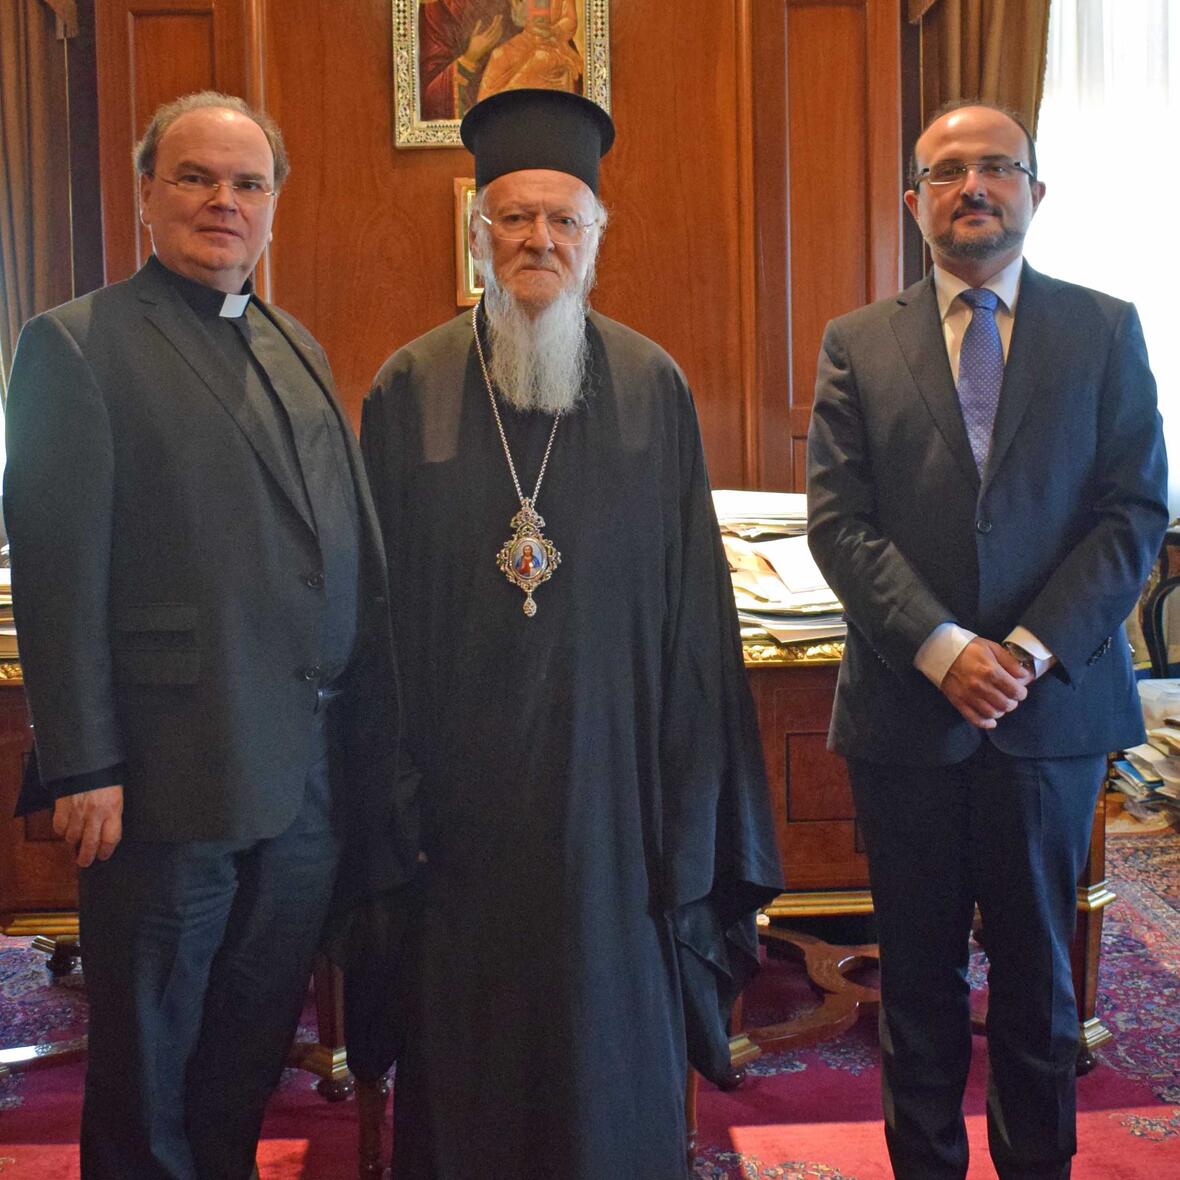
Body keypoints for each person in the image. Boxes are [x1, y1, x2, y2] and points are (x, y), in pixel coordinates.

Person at [360, 88, 782, 1179]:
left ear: (596, 238)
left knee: (609, 1061)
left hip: (616, 804)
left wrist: (689, 802)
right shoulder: (410, 387)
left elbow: (697, 618)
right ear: (477, 235)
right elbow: (373, 619)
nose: (537, 239)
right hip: (459, 811)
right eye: (513, 217)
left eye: (562, 219)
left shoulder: (651, 386)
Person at [3, 91, 415, 1179]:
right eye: (195, 177)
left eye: (247, 183)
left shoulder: (293, 341)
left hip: (302, 779)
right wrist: (82, 762)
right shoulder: (75, 345)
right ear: (146, 193)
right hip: (165, 776)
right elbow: (55, 575)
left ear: (273, 205)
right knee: (151, 1052)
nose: (223, 201)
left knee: (248, 1043)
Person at [806, 99, 1168, 1178]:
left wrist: (1026, 649)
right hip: (907, 713)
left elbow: (1132, 513)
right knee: (914, 987)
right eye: (946, 170)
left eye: (997, 166)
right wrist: (942, 648)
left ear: (1035, 191)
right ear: (911, 201)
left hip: (1051, 714)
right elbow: (838, 520)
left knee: (1038, 987)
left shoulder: (1104, 330)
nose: (973, 186)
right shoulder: (857, 344)